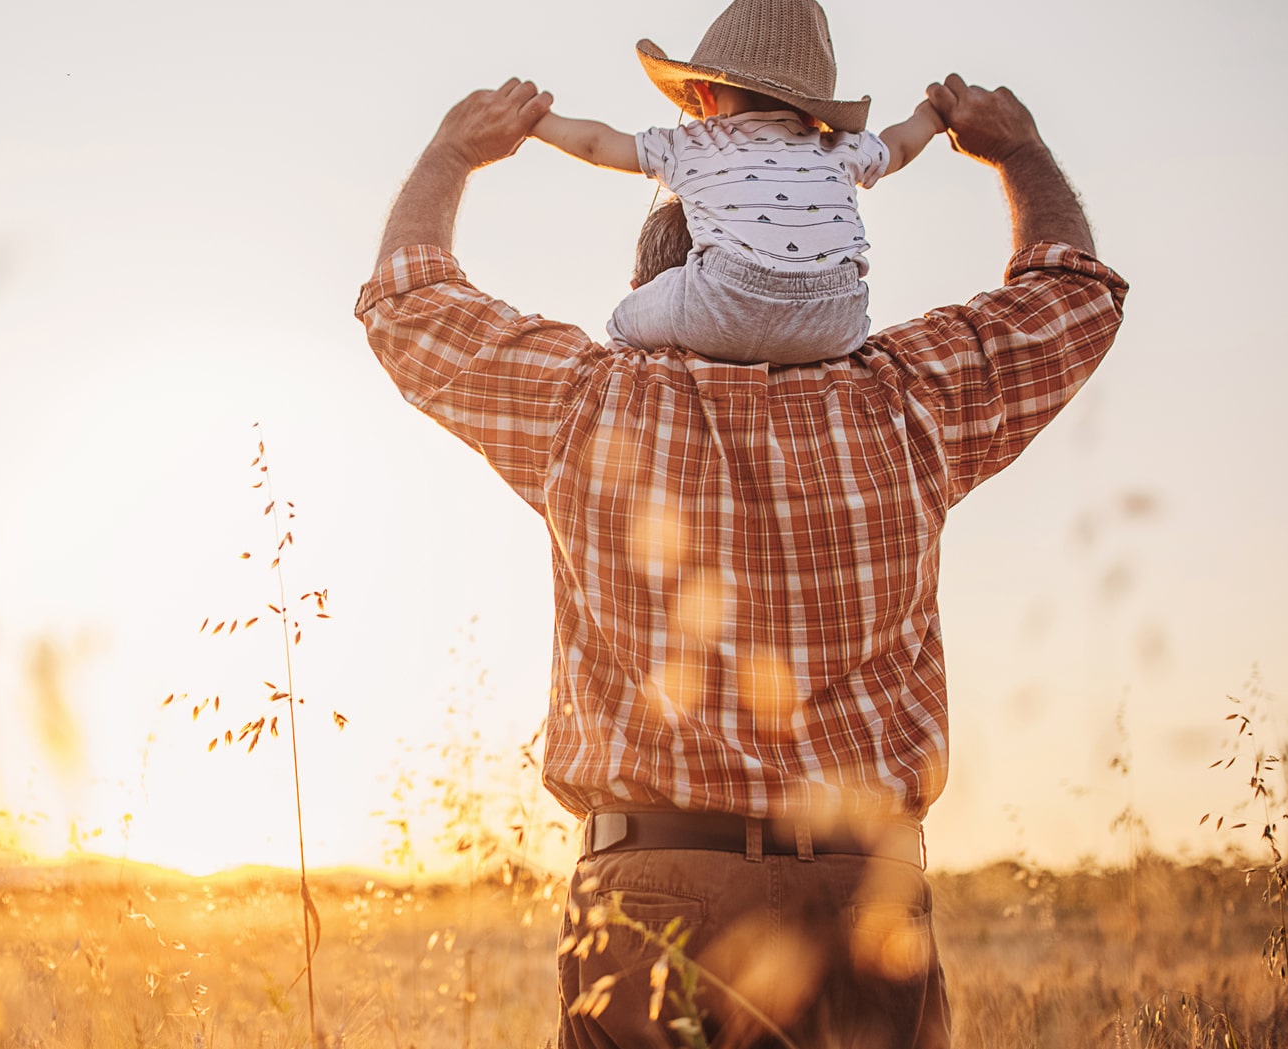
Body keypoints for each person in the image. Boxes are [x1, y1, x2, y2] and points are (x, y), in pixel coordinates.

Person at [355, 67, 1127, 1047]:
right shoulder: (911, 402)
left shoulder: (586, 405)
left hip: (649, 887)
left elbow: (405, 301)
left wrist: (450, 154)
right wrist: (1016, 151)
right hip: (861, 897)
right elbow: (1069, 296)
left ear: (656, 286)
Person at [531, 0, 946, 364]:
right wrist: (931, 117)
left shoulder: (694, 143)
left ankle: (636, 387)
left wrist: (538, 123)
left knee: (624, 321)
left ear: (705, 95)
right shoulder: (838, 146)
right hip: (835, 317)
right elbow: (900, 146)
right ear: (813, 113)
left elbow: (596, 145)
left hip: (720, 303)